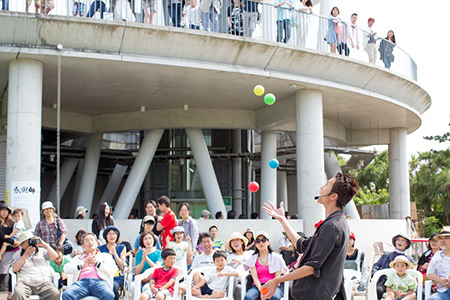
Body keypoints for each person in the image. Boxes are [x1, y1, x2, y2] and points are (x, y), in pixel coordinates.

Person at [261, 172, 359, 300]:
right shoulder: (335, 222)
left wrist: (277, 280)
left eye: (327, 184)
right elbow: (302, 245)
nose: (321, 187)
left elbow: (312, 267)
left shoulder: (332, 226)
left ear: (333, 196)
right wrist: (282, 219)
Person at [62, 232, 116, 300]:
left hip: (99, 282)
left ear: (97, 243)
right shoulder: (78, 258)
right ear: (83, 245)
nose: (90, 242)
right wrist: (81, 266)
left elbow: (113, 269)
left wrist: (96, 263)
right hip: (81, 283)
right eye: (87, 240)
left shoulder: (105, 256)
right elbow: (66, 268)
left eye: (92, 240)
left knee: (109, 295)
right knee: (66, 295)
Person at [12, 232, 60, 300]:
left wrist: (45, 245)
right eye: (29, 241)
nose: (32, 243)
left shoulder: (42, 251)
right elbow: (15, 269)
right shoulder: (18, 254)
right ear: (22, 245)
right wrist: (26, 255)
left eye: (32, 240)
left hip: (44, 283)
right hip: (25, 283)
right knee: (18, 293)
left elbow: (54, 256)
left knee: (54, 293)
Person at [243, 231, 286, 300]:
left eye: (263, 240)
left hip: (274, 285)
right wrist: (261, 289)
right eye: (258, 241)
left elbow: (277, 277)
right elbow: (255, 278)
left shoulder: (276, 257)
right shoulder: (252, 259)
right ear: (255, 244)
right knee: (248, 297)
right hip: (258, 286)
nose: (261, 243)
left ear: (268, 242)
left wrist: (270, 289)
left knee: (274, 297)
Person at [372, 233, 413, 300]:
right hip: (386, 282)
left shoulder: (409, 259)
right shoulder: (386, 255)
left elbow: (411, 273)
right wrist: (375, 275)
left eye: (403, 240)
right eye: (398, 240)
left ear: (407, 244)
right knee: (379, 290)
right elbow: (376, 265)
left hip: (403, 284)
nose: (400, 241)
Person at [98, 226, 126, 300]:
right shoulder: (100, 248)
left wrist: (115, 254)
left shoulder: (122, 247)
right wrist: (109, 256)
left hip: (116, 276)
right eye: (109, 234)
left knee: (113, 286)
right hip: (103, 275)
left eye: (114, 234)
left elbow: (121, 265)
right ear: (105, 236)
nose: (112, 236)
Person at [0, 202, 20, 298]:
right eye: (2, 210)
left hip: (11, 250)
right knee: (2, 270)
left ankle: (10, 290)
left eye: (6, 210)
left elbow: (17, 234)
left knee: (11, 270)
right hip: (2, 249)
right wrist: (12, 242)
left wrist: (15, 242)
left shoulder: (12, 223)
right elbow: (2, 236)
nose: (4, 212)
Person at [426, 226, 450, 300]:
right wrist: (441, 281)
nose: (443, 241)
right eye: (441, 238)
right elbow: (429, 274)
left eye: (446, 238)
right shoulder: (437, 255)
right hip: (443, 291)